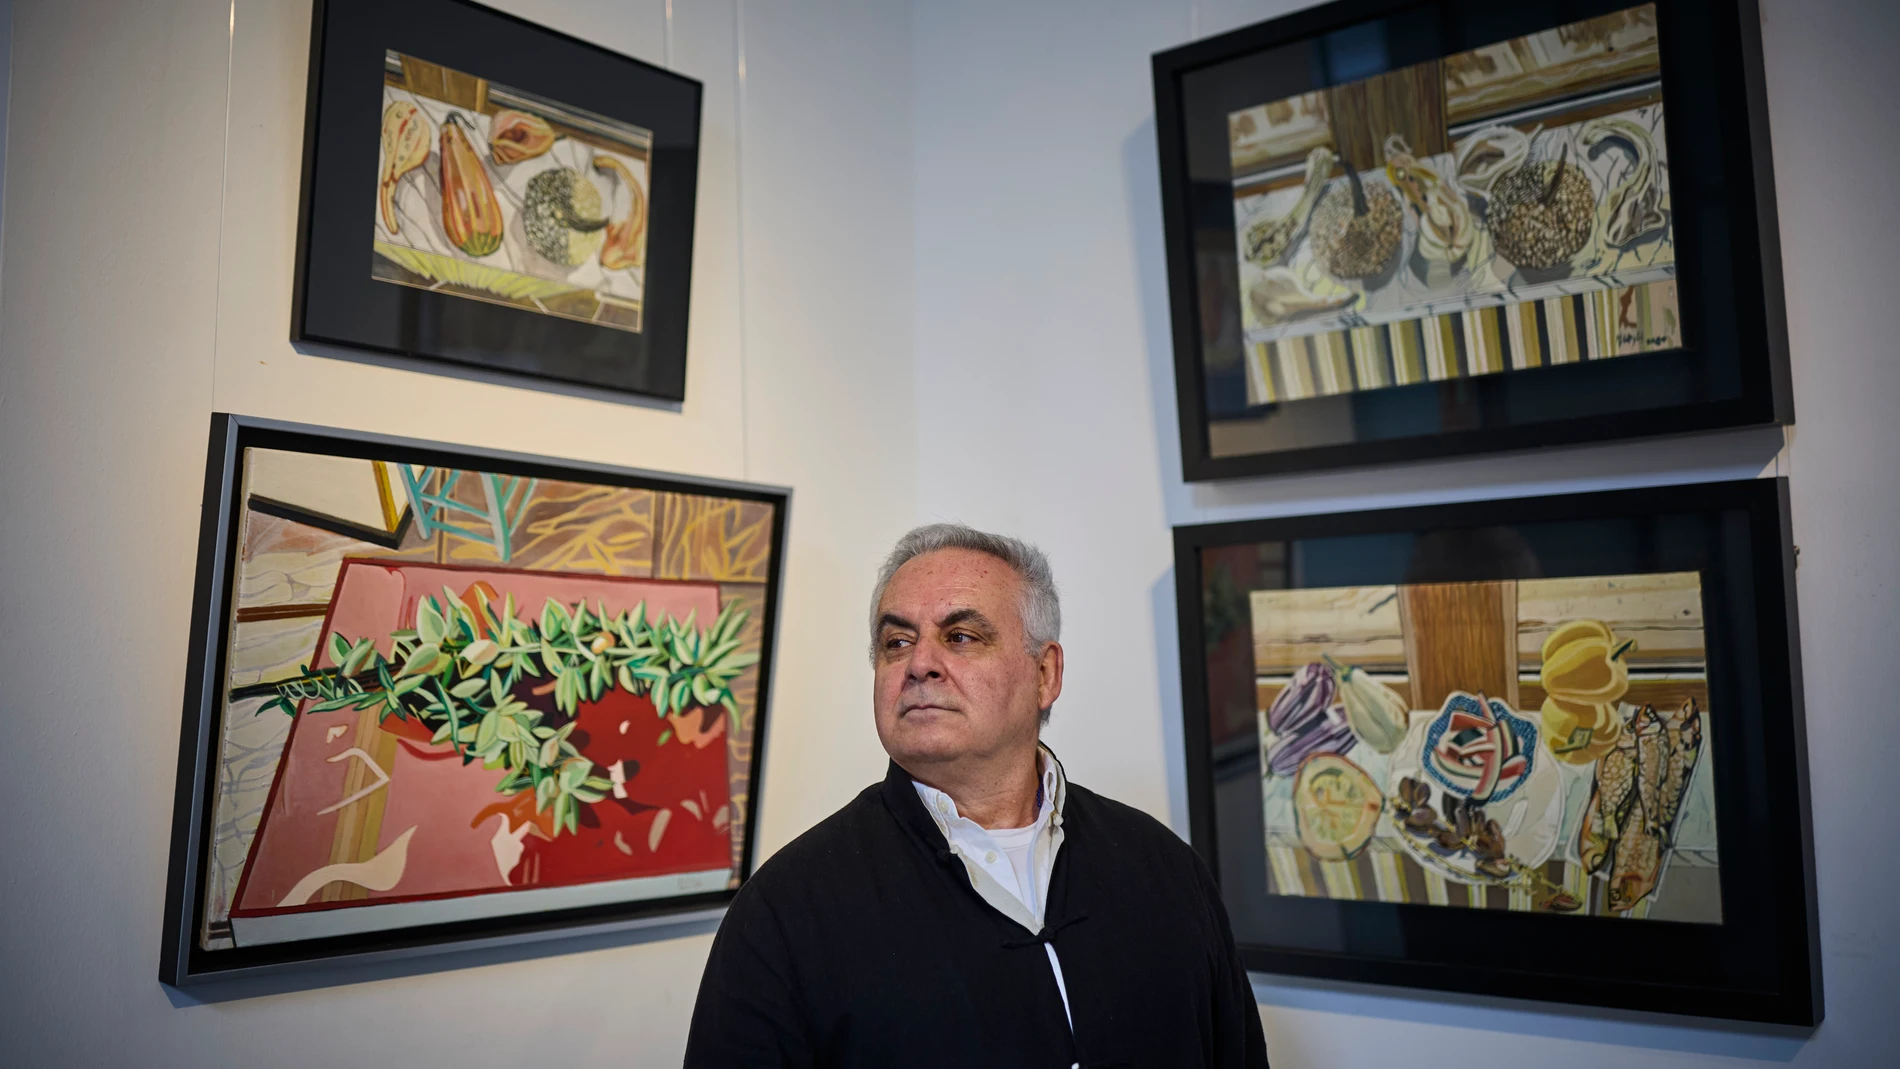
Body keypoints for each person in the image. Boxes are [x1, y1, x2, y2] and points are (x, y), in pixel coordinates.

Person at [684, 524, 1270, 1068]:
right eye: (896, 642)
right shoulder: (785, 911)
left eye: (961, 636)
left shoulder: (1164, 869)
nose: (920, 664)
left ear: (1045, 675)